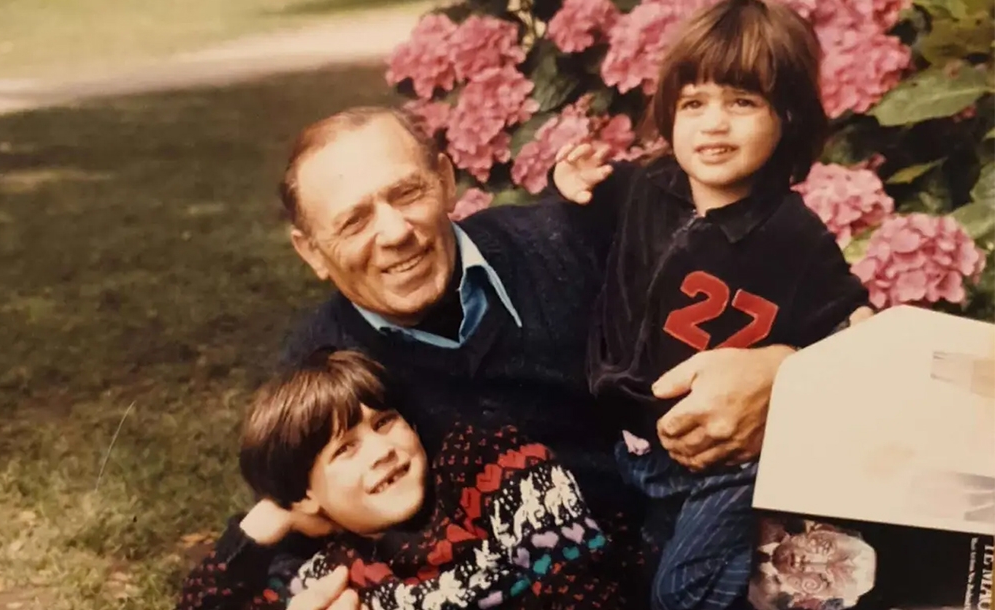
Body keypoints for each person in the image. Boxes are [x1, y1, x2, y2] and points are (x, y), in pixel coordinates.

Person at [177, 102, 843, 610]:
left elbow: (815, 308)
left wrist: (784, 367)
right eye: (353, 222)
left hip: (687, 540)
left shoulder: (570, 242)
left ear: (444, 177)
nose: (394, 234)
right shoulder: (322, 363)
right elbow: (296, 527)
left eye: (407, 193)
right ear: (311, 251)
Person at [549, 1, 874, 609]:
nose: (713, 124)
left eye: (742, 103)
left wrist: (814, 355)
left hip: (729, 465)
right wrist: (568, 180)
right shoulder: (644, 188)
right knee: (645, 569)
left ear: (788, 117)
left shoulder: (792, 235)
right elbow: (582, 199)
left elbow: (854, 325)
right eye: (694, 103)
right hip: (641, 449)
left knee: (683, 592)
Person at [178, 347, 631, 609]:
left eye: (383, 423)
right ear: (306, 495)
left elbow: (587, 592)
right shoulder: (333, 569)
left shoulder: (498, 469)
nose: (381, 452)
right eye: (345, 449)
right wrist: (265, 522)